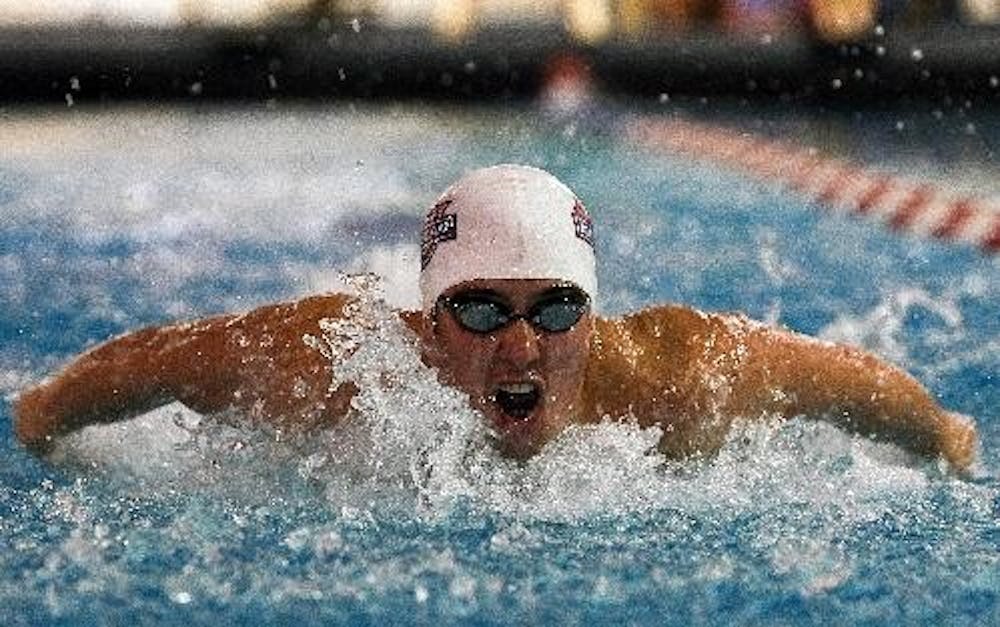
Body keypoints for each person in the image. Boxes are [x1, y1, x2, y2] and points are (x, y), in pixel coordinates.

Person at [13, 164, 978, 471]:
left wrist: (942, 432)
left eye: (557, 308)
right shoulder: (335, 361)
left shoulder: (676, 373)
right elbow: (166, 359)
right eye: (480, 310)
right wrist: (46, 411)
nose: (521, 346)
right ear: (430, 324)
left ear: (594, 317)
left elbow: (851, 381)